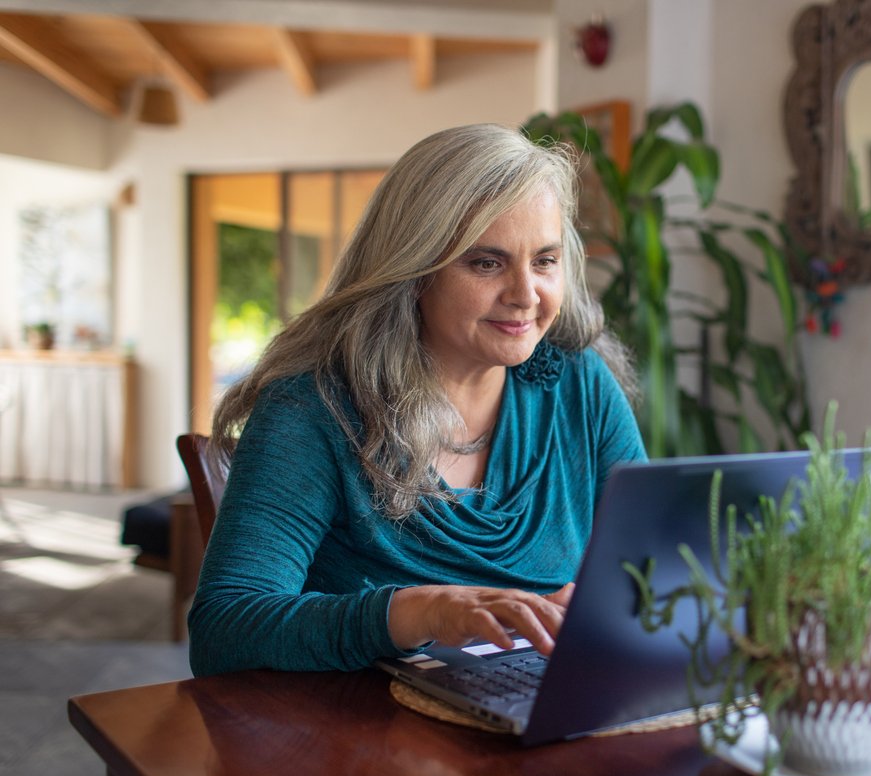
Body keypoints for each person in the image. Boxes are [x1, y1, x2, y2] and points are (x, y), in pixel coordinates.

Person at [188, 124, 646, 677]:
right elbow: (225, 628)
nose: (526, 295)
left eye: (545, 261)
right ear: (413, 272)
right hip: (361, 736)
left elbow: (646, 567)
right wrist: (418, 611)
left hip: (542, 714)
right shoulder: (313, 409)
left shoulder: (580, 384)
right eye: (486, 262)